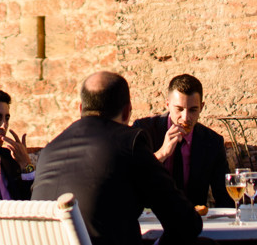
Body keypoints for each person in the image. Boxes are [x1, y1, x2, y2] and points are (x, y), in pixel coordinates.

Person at [32, 71, 202, 245]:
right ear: (127, 111)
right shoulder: (130, 143)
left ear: (81, 109)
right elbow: (186, 224)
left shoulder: (48, 151)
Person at [132, 73, 232, 207]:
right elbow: (130, 177)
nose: (185, 118)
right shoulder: (144, 130)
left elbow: (224, 196)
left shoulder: (212, 142)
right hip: (150, 218)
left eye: (193, 110)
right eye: (179, 109)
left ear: (201, 107)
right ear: (167, 104)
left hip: (192, 220)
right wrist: (161, 154)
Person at [0, 88, 33, 200]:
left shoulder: (9, 158)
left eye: (7, 118)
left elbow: (33, 200)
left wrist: (26, 164)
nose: (4, 125)